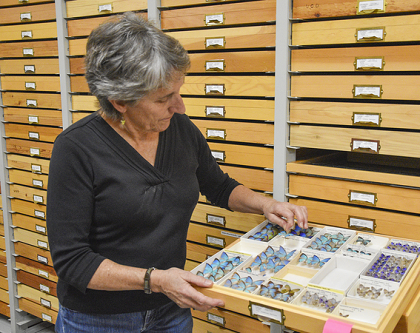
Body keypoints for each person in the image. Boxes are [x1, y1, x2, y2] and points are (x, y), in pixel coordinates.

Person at [46, 12, 308, 333]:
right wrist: (155, 280)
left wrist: (266, 205)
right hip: (99, 320)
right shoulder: (77, 148)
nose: (179, 106)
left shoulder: (179, 128)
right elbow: (72, 261)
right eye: (164, 98)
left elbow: (219, 186)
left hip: (170, 311)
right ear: (120, 101)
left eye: (178, 91)